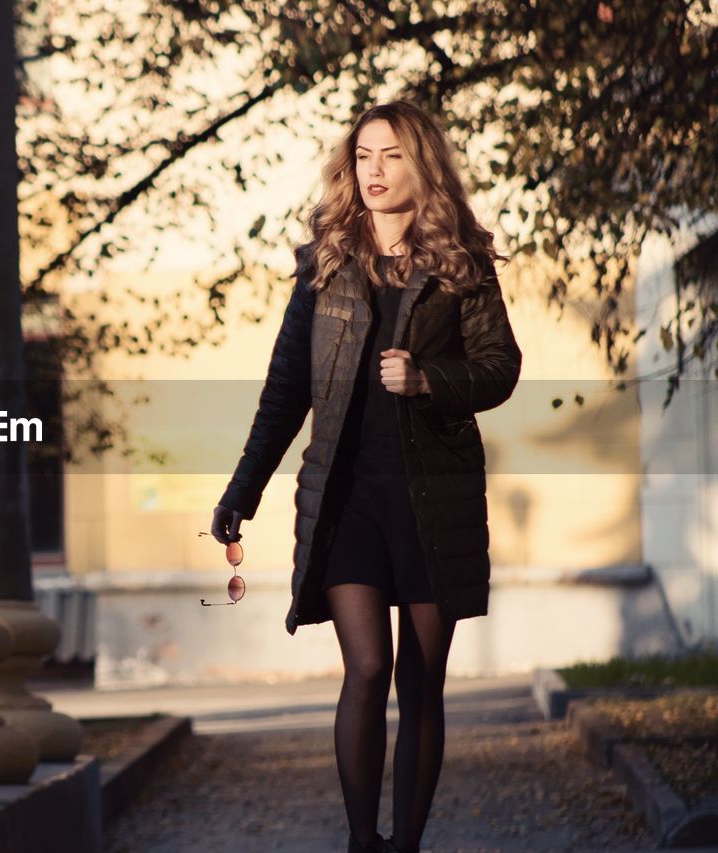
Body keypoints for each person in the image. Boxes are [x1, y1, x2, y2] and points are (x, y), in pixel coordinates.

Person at [208, 101, 522, 853]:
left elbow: (500, 367)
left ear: (423, 166)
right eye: (363, 157)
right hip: (346, 500)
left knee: (419, 683)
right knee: (368, 666)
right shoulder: (325, 267)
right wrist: (241, 491)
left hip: (430, 500)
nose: (373, 171)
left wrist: (427, 380)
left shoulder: (462, 266)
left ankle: (405, 843)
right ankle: (360, 839)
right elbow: (285, 390)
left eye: (390, 157)